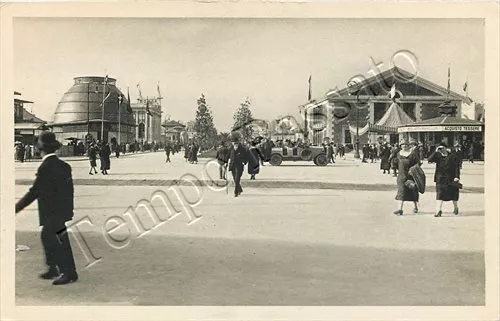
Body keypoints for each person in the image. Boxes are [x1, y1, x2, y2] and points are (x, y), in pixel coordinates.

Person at [15, 131, 78, 285]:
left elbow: (35, 191)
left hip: (52, 211)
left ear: (41, 148)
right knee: (50, 237)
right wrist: (69, 210)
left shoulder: (46, 167)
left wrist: (16, 207)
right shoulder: (64, 166)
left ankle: (68, 272)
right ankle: (54, 268)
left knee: (56, 239)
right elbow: (70, 191)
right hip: (61, 211)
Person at [428, 142, 461, 217]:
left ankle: (455, 207)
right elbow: (429, 159)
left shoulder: (452, 156)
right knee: (439, 194)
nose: (441, 150)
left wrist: (457, 176)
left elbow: (457, 167)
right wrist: (435, 151)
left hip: (451, 178)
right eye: (440, 148)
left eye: (442, 148)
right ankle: (438, 210)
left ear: (446, 148)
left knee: (453, 195)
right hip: (440, 179)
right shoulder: (438, 155)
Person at [393, 139, 420, 215]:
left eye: (405, 144)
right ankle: (399, 209)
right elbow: (395, 163)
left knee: (413, 191)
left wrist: (413, 170)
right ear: (400, 146)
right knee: (401, 191)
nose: (404, 146)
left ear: (408, 146)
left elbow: (418, 164)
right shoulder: (398, 154)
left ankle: (415, 206)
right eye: (402, 145)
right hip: (401, 176)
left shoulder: (412, 154)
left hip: (410, 176)